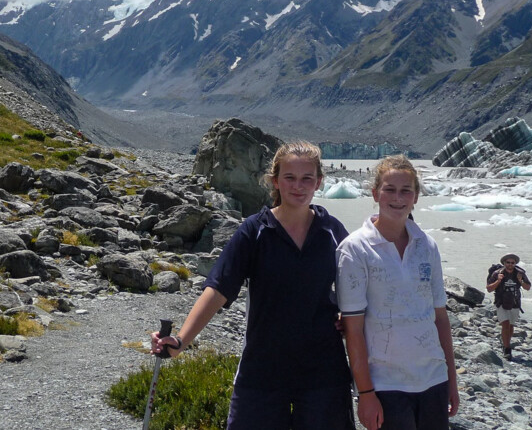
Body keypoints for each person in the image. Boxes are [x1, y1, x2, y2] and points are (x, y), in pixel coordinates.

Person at [151, 141, 354, 429]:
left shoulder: (332, 231)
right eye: (290, 178)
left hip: (323, 371)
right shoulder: (255, 231)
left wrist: (349, 318)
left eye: (307, 178)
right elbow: (218, 288)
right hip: (263, 369)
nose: (299, 186)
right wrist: (181, 340)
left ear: (319, 182)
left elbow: (359, 290)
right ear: (275, 181)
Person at [337, 155, 459, 430]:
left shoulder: (427, 246)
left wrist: (451, 379)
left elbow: (440, 318)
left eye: (406, 191)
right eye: (389, 189)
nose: (398, 198)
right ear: (374, 193)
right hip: (385, 383)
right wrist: (366, 394)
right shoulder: (355, 249)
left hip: (433, 379)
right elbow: (352, 329)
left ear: (416, 196)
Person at [486, 253, 531, 360]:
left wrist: (520, 280)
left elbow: (528, 287)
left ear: (515, 263)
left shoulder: (520, 273)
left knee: (510, 326)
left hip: (514, 303)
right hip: (501, 302)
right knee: (505, 325)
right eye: (508, 262)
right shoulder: (497, 273)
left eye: (512, 263)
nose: (510, 264)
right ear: (504, 263)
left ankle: (506, 342)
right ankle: (507, 349)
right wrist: (498, 280)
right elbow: (489, 288)